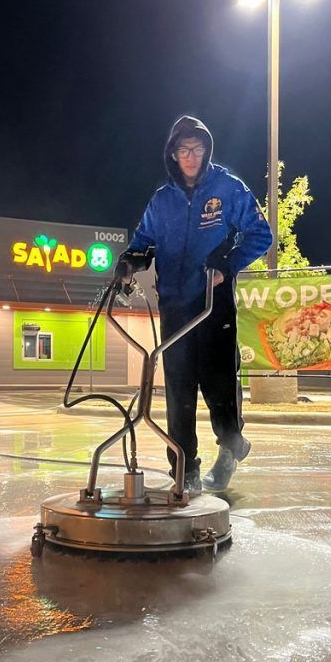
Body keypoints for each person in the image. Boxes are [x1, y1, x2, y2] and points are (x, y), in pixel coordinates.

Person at [116, 115, 272, 493]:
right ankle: (183, 468)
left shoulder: (227, 188)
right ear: (172, 153)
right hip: (174, 304)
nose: (190, 156)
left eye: (197, 149)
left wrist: (227, 264)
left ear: (206, 151)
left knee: (218, 383)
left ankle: (232, 444)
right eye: (183, 149)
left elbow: (259, 234)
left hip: (212, 301)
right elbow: (143, 243)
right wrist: (129, 262)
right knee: (179, 389)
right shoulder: (162, 200)